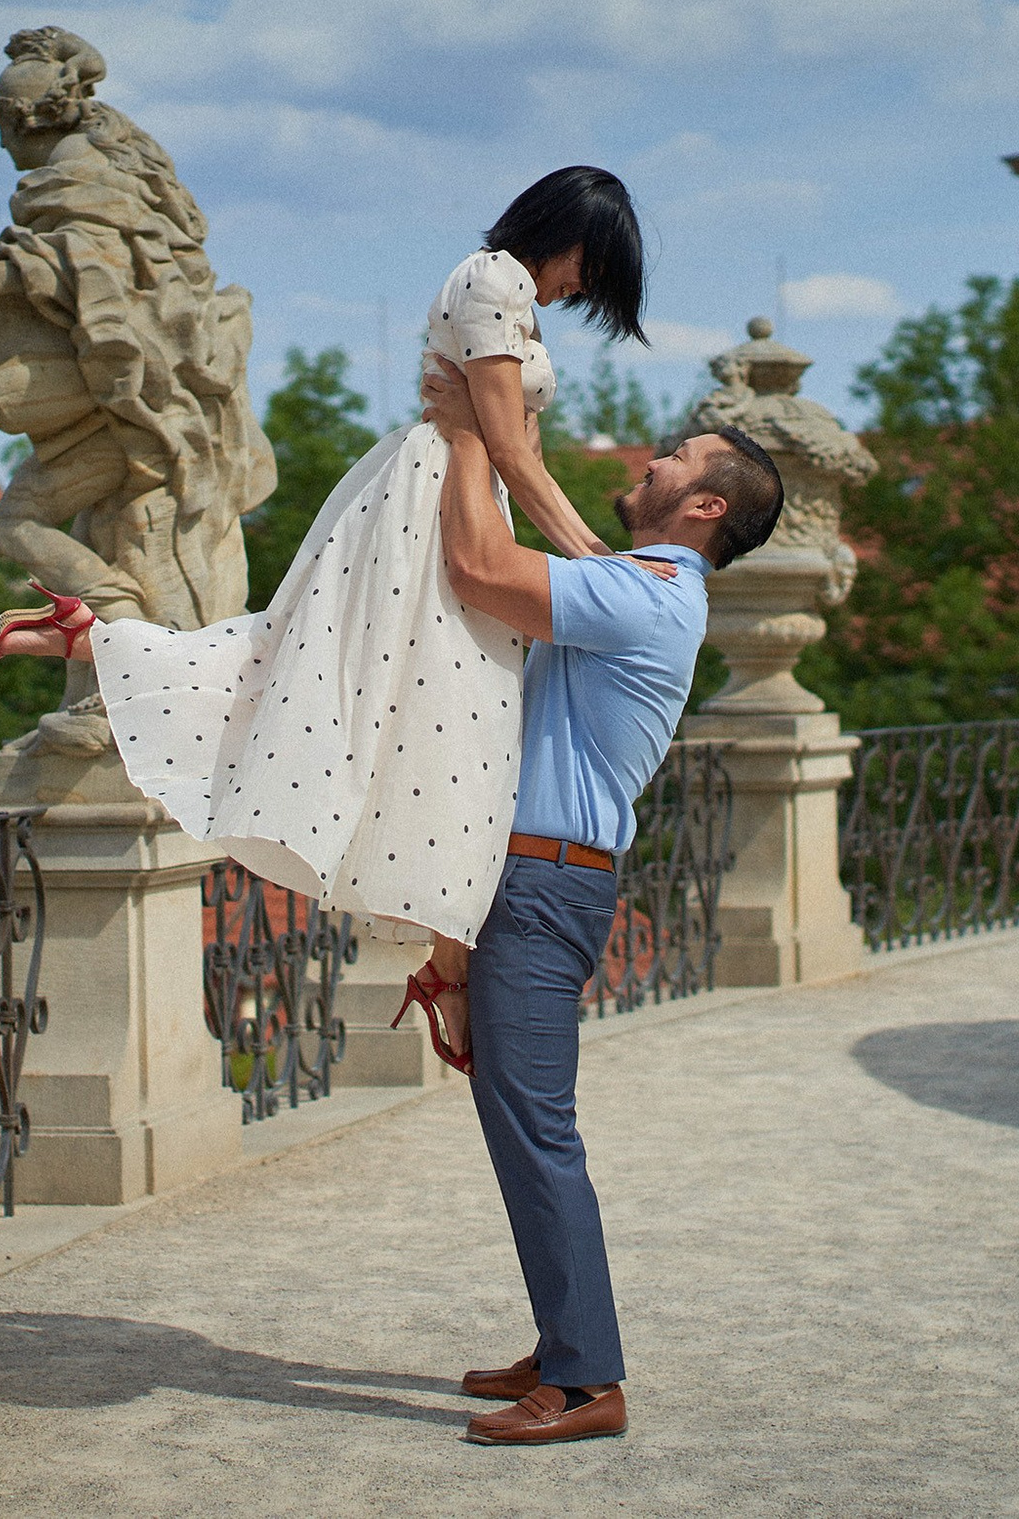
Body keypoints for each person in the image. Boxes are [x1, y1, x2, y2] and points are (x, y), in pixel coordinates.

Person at [0, 167, 663, 1071]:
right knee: (396, 711)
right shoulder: (491, 279)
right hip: (435, 500)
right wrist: (600, 565)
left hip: (465, 492)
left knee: (428, 723)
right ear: (567, 230)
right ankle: (443, 969)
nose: (582, 289)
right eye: (590, 267)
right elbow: (504, 448)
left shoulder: (517, 302)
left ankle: (88, 633)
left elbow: (518, 453)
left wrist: (589, 562)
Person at [416, 357, 782, 1444]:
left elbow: (477, 565)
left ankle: (586, 1384)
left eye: (675, 454)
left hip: (542, 884)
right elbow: (542, 564)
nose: (652, 456)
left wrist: (471, 429)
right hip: (527, 882)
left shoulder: (649, 593)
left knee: (535, 1127)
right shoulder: (643, 587)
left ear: (705, 505)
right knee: (520, 1122)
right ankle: (562, 1335)